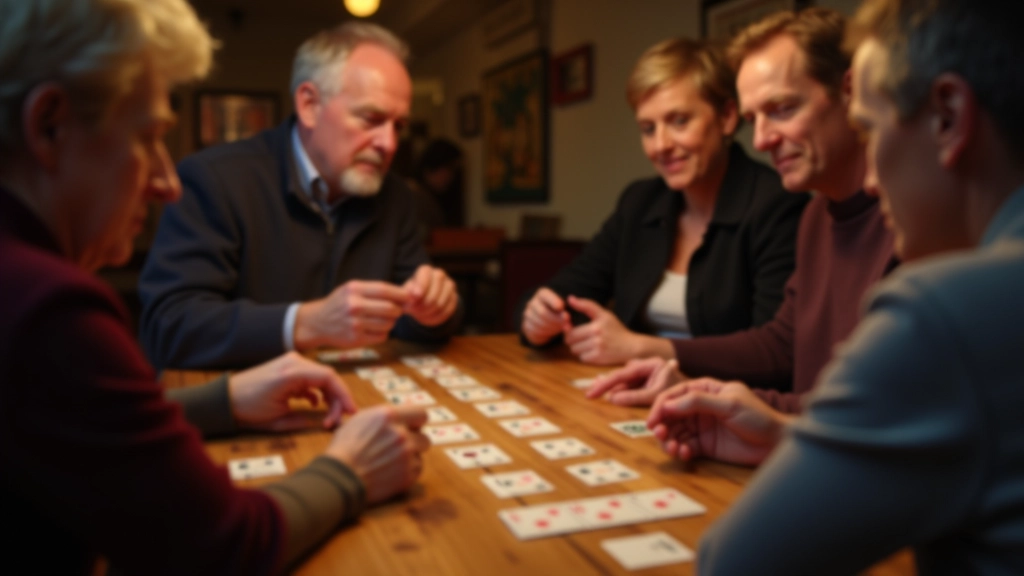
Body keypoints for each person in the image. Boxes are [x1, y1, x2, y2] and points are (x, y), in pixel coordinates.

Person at [0, 1, 430, 573]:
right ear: (48, 124)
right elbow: (223, 546)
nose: (166, 182)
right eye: (148, 136)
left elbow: (66, 415)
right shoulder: (44, 306)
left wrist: (223, 401)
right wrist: (349, 471)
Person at [691, 0, 1024, 572]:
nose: (871, 178)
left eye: (870, 128)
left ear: (947, 117)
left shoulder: (945, 312)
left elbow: (735, 564)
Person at [588, 8, 896, 410]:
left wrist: (741, 408)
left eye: (783, 108)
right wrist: (692, 384)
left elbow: (885, 412)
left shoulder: (915, 219)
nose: (763, 140)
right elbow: (783, 345)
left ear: (852, 92)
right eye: (755, 119)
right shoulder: (817, 216)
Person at [138, 22, 462, 371]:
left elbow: (410, 320)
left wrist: (435, 312)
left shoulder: (394, 195)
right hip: (247, 410)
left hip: (358, 402)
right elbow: (168, 327)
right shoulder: (216, 179)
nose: (390, 144)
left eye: (398, 126)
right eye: (372, 119)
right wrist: (305, 323)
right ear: (309, 105)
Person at [517, 38, 808, 366]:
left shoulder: (777, 205)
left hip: (729, 408)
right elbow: (567, 291)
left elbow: (775, 354)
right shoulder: (640, 201)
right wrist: (540, 319)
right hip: (639, 398)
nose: (661, 145)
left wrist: (640, 348)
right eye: (647, 128)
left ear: (727, 116)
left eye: (679, 121)